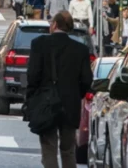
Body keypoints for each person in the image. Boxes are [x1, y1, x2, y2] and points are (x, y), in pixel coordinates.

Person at [25, 10, 92, 168]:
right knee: (68, 150)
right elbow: (87, 80)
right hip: (70, 104)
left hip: (46, 102)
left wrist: (32, 97)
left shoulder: (39, 44)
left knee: (49, 148)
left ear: (54, 24)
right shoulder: (81, 49)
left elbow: (33, 75)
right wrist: (76, 94)